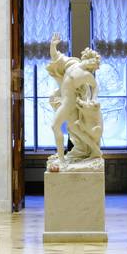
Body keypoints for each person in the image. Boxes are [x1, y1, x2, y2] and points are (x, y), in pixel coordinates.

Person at [47, 33, 103, 168]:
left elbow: (95, 87)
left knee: (55, 126)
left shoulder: (86, 75)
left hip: (69, 104)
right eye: (93, 61)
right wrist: (53, 45)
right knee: (75, 129)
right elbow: (56, 57)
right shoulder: (72, 63)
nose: (92, 65)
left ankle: (61, 159)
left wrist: (93, 99)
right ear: (87, 57)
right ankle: (95, 150)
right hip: (67, 103)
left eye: (94, 65)